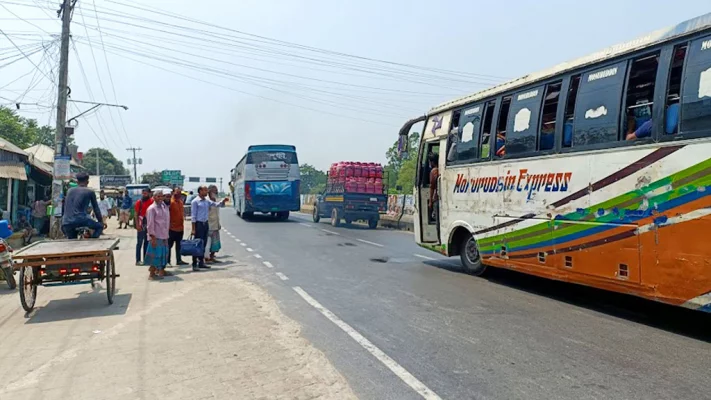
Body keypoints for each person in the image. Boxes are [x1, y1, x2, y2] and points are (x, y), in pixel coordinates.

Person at [190, 185, 227, 271]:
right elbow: (193, 216)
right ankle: (194, 263)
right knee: (197, 244)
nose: (206, 192)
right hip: (198, 224)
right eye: (205, 190)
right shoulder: (195, 202)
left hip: (205, 224)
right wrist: (193, 228)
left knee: (203, 243)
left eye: (207, 190)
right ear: (200, 191)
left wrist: (223, 201)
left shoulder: (207, 201)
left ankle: (201, 262)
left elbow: (216, 204)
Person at [61, 172, 105, 239]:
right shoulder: (90, 191)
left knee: (71, 240)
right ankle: (93, 243)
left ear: (77, 182)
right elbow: (96, 209)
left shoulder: (69, 191)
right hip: (81, 220)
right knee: (100, 226)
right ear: (87, 182)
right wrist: (101, 222)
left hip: (66, 223)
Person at [145, 190, 170, 280]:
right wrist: (153, 237)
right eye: (158, 196)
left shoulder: (164, 207)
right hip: (156, 236)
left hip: (164, 235)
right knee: (155, 256)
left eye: (161, 196)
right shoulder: (152, 209)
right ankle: (152, 274)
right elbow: (150, 224)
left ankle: (161, 270)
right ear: (154, 197)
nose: (160, 198)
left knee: (163, 255)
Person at [168, 187, 188, 266]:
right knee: (169, 246)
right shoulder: (170, 202)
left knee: (179, 246)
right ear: (173, 193)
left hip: (180, 228)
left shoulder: (180, 202)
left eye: (180, 193)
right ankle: (167, 261)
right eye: (177, 193)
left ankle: (179, 260)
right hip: (171, 228)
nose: (178, 195)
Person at [134, 188, 154, 266]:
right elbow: (136, 214)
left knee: (147, 242)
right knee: (139, 243)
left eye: (145, 193)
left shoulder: (152, 202)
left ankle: (146, 260)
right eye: (143, 193)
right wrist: (137, 225)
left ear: (149, 193)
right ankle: (138, 260)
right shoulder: (139, 202)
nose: (144, 195)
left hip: (149, 224)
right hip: (141, 224)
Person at [204, 185, 222, 263]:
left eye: (216, 191)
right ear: (209, 191)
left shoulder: (216, 200)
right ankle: (206, 258)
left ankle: (212, 256)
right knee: (208, 242)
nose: (215, 192)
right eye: (214, 191)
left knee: (215, 242)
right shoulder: (207, 201)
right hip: (209, 224)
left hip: (215, 224)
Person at [428, 152, 439, 223]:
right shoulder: (441, 169)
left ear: (432, 162)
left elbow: (432, 187)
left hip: (436, 198)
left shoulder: (433, 171)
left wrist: (430, 201)